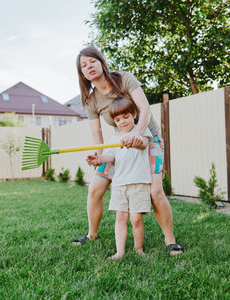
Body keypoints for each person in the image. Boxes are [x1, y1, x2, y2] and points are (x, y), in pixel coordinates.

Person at [73, 46, 184, 255]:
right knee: (95, 188)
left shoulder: (123, 79)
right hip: (120, 146)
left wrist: (139, 133)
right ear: (82, 74)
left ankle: (170, 240)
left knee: (155, 191)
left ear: (101, 62)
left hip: (148, 140)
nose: (89, 67)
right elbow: (97, 135)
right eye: (83, 66)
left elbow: (145, 108)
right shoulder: (91, 100)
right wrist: (98, 156)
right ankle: (91, 234)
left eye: (92, 61)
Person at [86, 97, 152, 259]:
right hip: (119, 184)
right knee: (120, 218)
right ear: (114, 122)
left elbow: (143, 144)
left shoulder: (141, 131)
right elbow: (110, 157)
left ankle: (138, 249)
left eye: (126, 117)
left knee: (136, 219)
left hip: (138, 183)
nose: (122, 122)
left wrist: (133, 140)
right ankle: (119, 252)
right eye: (118, 119)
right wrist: (99, 159)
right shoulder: (114, 139)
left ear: (134, 115)